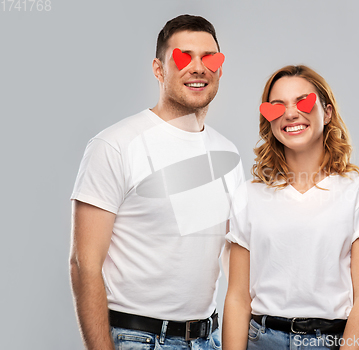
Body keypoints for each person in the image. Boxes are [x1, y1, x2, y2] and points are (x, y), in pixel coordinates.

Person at [69, 14, 244, 350]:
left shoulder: (227, 152)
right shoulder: (115, 145)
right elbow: (83, 264)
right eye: (183, 57)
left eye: (210, 58)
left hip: (207, 339)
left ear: (220, 69)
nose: (198, 68)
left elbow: (230, 256)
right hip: (138, 339)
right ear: (159, 69)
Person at [222, 65, 359, 350]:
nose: (290, 114)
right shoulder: (249, 195)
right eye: (277, 107)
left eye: (303, 102)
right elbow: (238, 297)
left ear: (326, 112)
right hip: (261, 341)